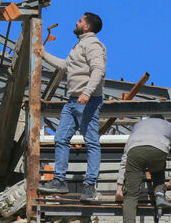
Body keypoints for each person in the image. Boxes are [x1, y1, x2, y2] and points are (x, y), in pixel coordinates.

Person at [35, 12, 107, 202]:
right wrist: (43, 55)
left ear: (87, 27)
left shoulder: (93, 45)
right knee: (61, 138)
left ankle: (89, 186)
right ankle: (59, 181)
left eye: (80, 21)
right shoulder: (79, 45)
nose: (76, 22)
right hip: (73, 100)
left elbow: (98, 70)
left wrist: (87, 92)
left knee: (91, 141)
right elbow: (66, 66)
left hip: (86, 101)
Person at [115, 115, 171, 223]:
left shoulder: (138, 125)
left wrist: (119, 188)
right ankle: (159, 194)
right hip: (157, 153)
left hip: (135, 152)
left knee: (130, 196)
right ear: (163, 120)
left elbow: (125, 159)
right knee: (158, 166)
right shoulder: (169, 126)